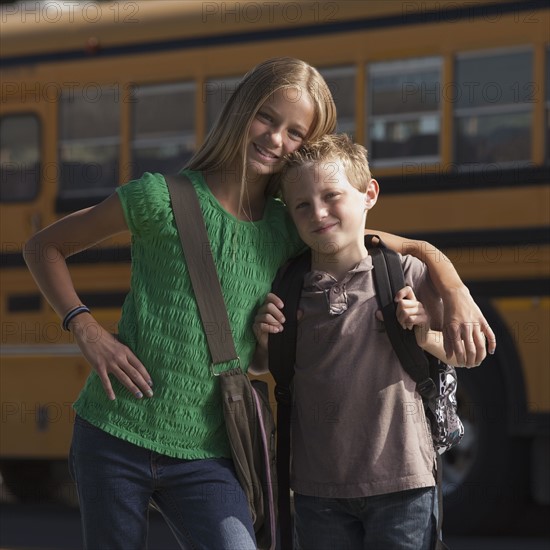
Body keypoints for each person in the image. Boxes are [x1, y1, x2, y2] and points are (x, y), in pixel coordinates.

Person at [23, 58, 493, 550]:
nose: (275, 139)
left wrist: (455, 289)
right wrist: (85, 328)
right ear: (240, 110)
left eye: (295, 133)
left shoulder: (290, 223)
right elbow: (44, 247)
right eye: (266, 117)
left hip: (209, 449)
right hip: (113, 432)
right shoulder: (157, 198)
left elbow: (387, 243)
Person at [253, 133, 484, 550]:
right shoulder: (286, 286)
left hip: (404, 484)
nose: (318, 212)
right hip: (316, 490)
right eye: (302, 205)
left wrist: (424, 334)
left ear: (368, 194)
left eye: (332, 196)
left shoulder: (406, 274)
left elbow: (467, 355)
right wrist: (264, 342)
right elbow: (261, 367)